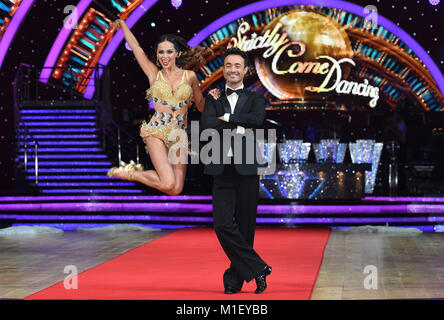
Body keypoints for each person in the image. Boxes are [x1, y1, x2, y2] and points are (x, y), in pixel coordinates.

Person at [107, 19, 215, 195]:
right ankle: (131, 174)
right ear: (157, 55)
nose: (165, 56)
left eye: (169, 52)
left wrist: (212, 101)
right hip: (157, 131)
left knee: (175, 189)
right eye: (161, 52)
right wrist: (123, 25)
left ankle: (132, 172)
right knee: (167, 183)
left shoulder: (190, 77)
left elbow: (201, 106)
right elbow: (137, 48)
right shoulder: (153, 74)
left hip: (179, 134)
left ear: (177, 54)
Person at [200, 47, 272, 294]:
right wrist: (240, 127)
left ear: (245, 70)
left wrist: (227, 119)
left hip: (247, 169)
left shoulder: (256, 99)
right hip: (221, 169)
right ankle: (259, 268)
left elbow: (257, 121)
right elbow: (207, 125)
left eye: (237, 66)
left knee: (245, 228)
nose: (233, 70)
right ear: (223, 69)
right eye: (228, 65)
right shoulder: (213, 98)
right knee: (221, 224)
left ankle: (234, 280)